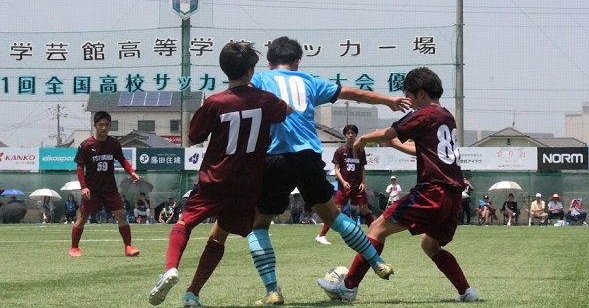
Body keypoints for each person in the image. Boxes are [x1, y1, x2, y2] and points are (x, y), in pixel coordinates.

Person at [246, 36, 411, 305]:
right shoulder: (309, 80)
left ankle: (273, 291)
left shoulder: (262, 80)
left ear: (269, 62)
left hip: (276, 157)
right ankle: (377, 260)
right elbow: (354, 93)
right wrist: (388, 101)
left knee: (259, 225)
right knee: (333, 216)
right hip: (309, 156)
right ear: (298, 61)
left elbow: (242, 96)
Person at [148, 41, 291, 307]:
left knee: (184, 223)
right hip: (247, 185)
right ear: (251, 70)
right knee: (218, 236)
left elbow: (192, 137)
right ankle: (193, 293)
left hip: (215, 178)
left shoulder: (216, 102)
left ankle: (170, 269)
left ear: (225, 70)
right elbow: (286, 111)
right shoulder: (265, 100)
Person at [318, 66, 479, 303]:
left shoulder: (423, 114)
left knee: (376, 229)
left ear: (421, 94)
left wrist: (363, 138)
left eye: (410, 97)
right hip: (453, 194)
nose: (410, 103)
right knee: (430, 245)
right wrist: (394, 145)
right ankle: (466, 291)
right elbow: (423, 149)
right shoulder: (446, 116)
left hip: (432, 190)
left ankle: (348, 287)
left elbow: (388, 131)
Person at [69, 110, 141, 258]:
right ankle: (74, 248)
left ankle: (128, 247)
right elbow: (80, 167)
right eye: (101, 124)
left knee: (121, 214)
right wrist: (83, 187)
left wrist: (132, 172)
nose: (104, 128)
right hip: (92, 189)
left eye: (107, 125)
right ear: (95, 125)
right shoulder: (86, 145)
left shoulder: (113, 143)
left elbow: (122, 159)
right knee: (83, 217)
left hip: (109, 188)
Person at [316, 124, 375, 245]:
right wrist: (343, 182)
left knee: (364, 208)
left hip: (358, 185)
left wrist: (363, 182)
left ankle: (375, 232)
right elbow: (336, 169)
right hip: (345, 186)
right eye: (348, 133)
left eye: (353, 133)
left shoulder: (360, 151)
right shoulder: (340, 151)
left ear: (356, 135)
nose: (350, 135)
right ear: (345, 135)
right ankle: (321, 235)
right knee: (336, 210)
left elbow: (363, 168)